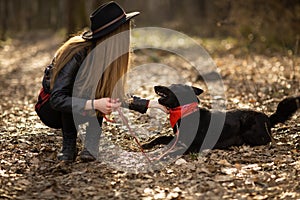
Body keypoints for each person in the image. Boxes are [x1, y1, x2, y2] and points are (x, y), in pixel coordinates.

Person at [35, 1, 166, 163]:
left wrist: (151, 104)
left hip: (79, 106)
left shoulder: (109, 57)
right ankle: (68, 145)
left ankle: (91, 144)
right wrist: (96, 104)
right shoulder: (77, 53)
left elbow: (115, 94)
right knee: (84, 91)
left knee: (100, 89)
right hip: (51, 110)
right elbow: (57, 99)